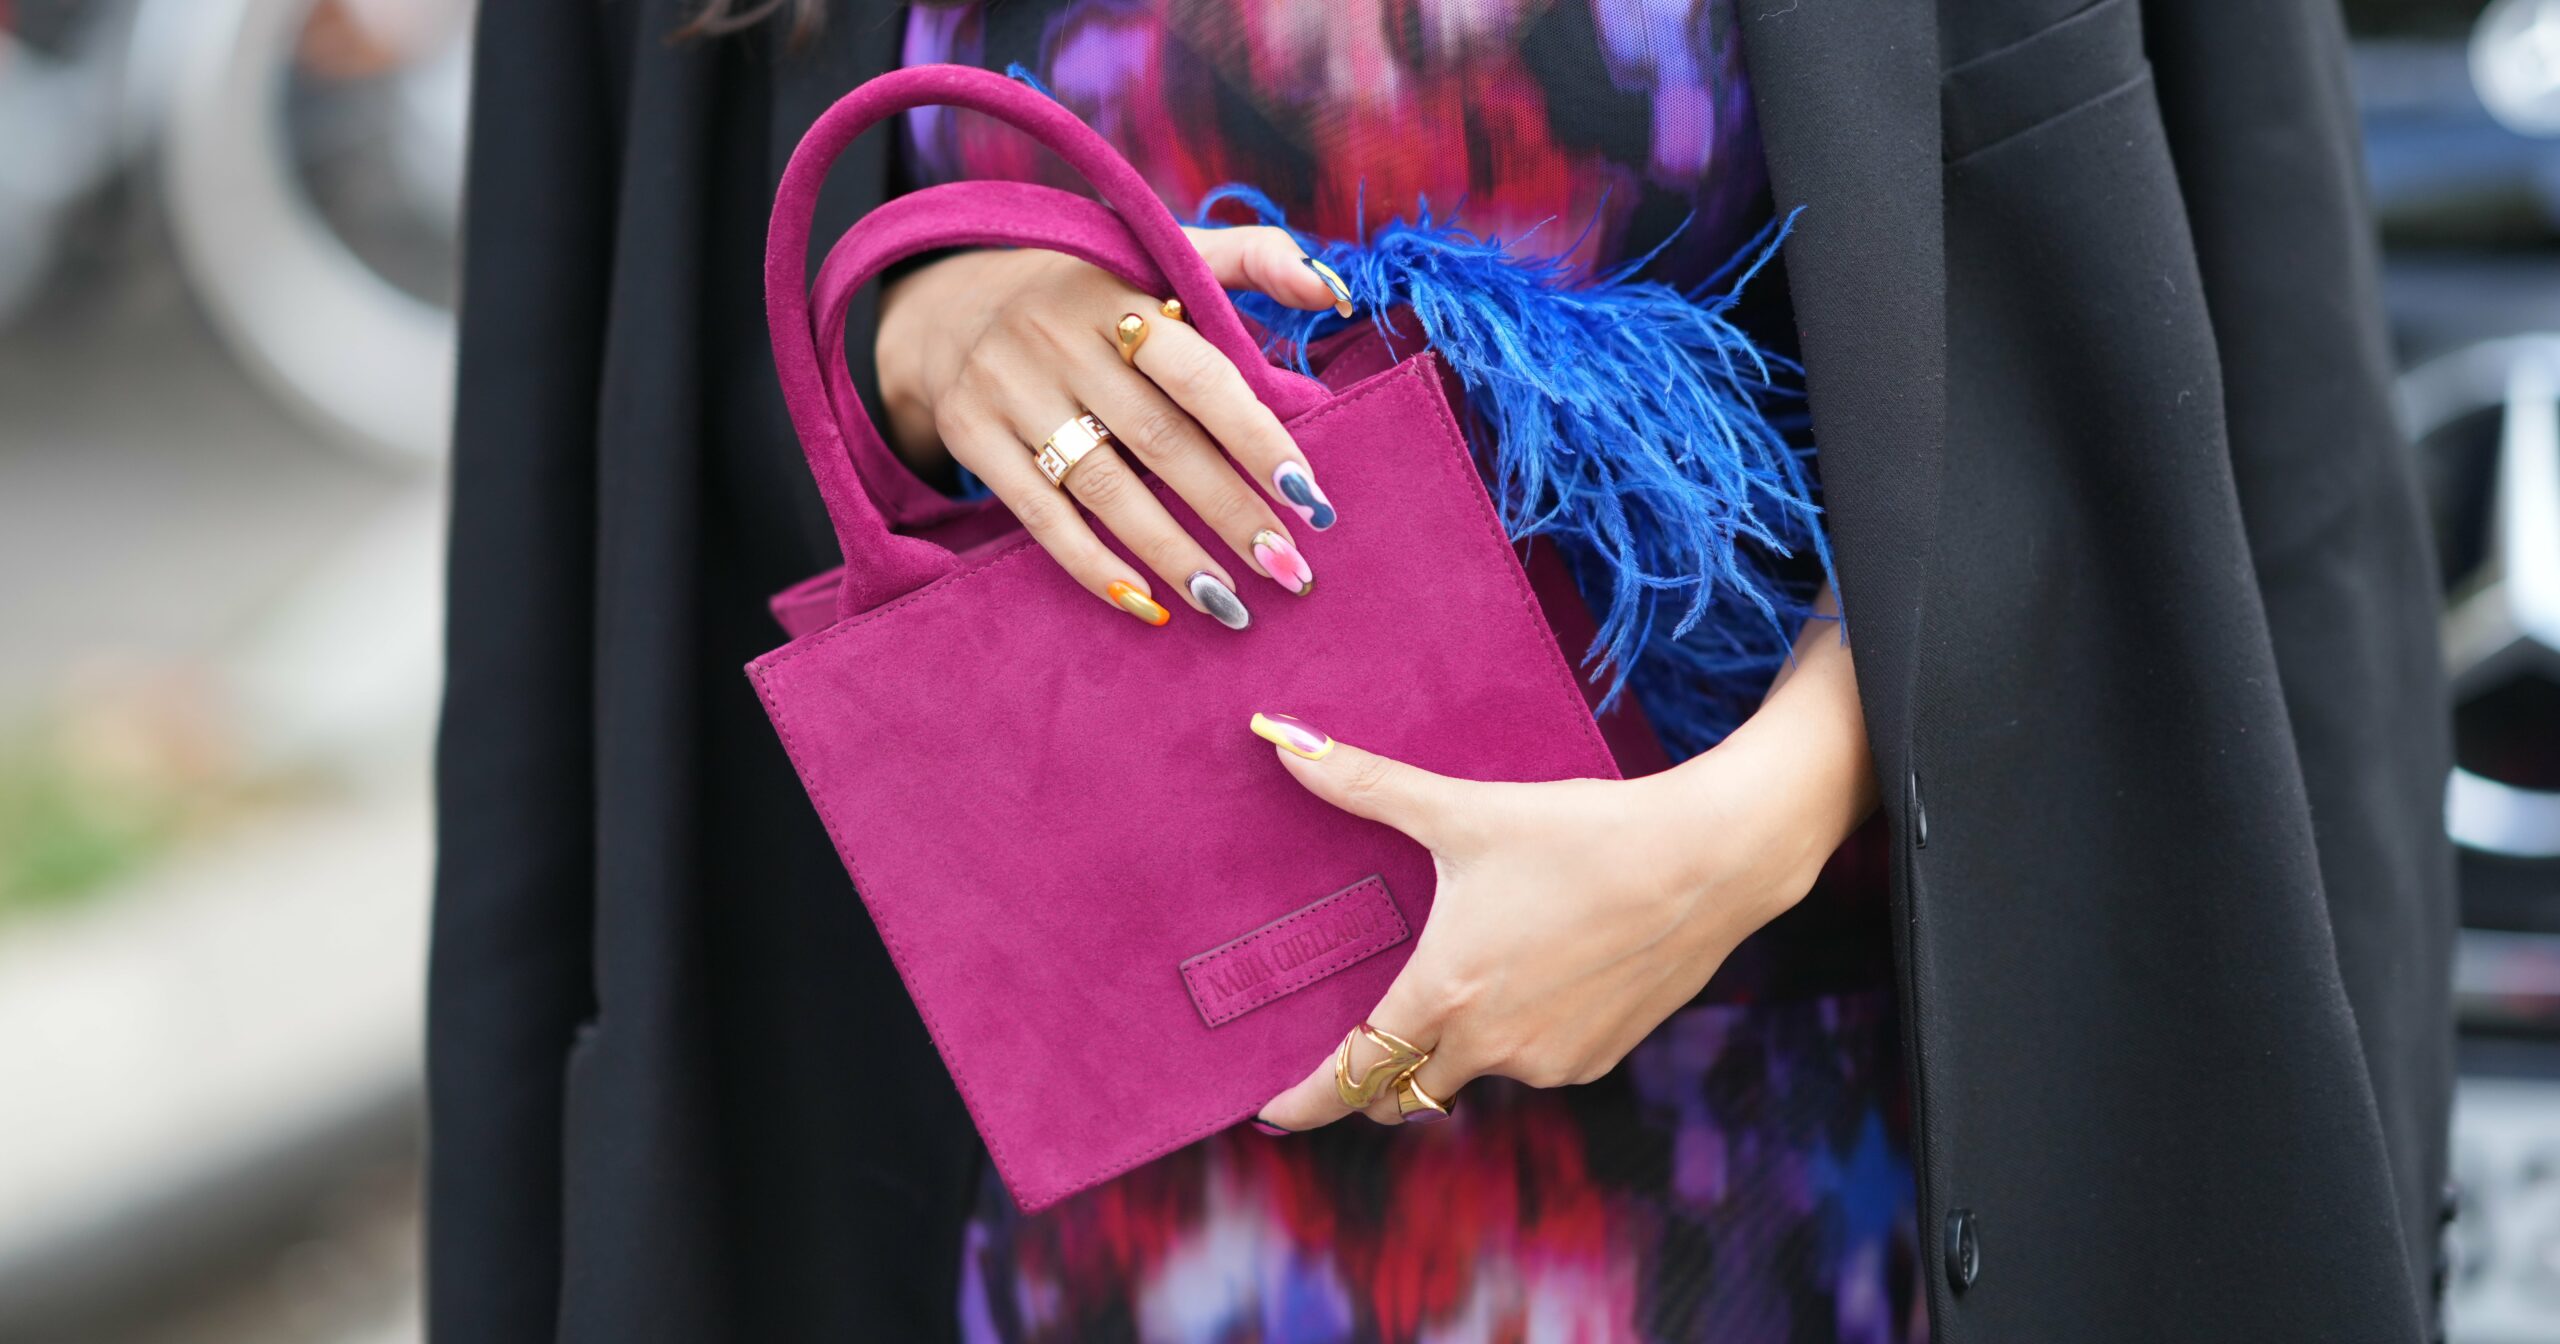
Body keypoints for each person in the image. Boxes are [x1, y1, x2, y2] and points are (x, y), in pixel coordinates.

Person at [428, 3, 2455, 1343]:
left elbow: (2180, 370)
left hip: (1816, 1174)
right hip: (1070, 1213)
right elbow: (614, 399)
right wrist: (932, 307)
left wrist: (1754, 822)